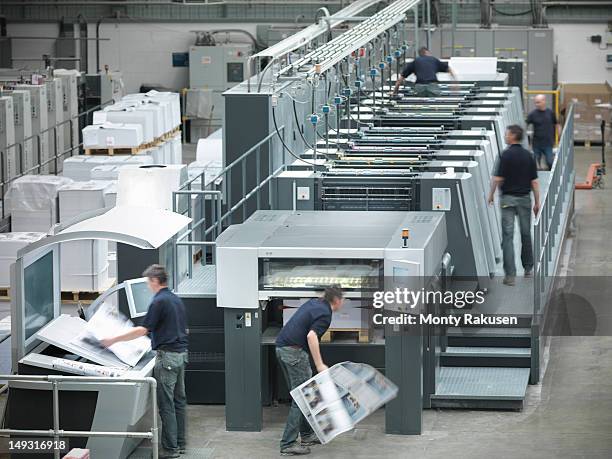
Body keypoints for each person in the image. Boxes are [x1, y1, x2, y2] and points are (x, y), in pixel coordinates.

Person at [101, 265, 188, 459]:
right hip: (181, 356)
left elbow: (143, 330)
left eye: (148, 281)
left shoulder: (158, 301)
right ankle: (180, 444)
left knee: (166, 406)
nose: (148, 285)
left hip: (167, 359)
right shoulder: (175, 299)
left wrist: (112, 340)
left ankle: (170, 450)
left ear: (155, 281)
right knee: (179, 402)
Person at [275, 287, 345, 456]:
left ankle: (306, 435)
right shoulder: (325, 314)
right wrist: (320, 364)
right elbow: (311, 336)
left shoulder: (315, 303)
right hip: (294, 353)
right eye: (342, 299)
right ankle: (288, 444)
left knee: (302, 395)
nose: (343, 302)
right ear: (336, 301)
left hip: (282, 348)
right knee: (301, 399)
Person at [488, 125, 540, 286]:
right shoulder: (529, 156)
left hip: (508, 201)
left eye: (507, 133)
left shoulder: (504, 155)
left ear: (512, 136)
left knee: (508, 237)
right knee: (525, 234)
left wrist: (491, 194)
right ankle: (528, 269)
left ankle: (510, 276)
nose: (505, 135)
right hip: (524, 199)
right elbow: (534, 181)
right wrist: (537, 202)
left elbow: (497, 178)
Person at [392, 46, 456, 97]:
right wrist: (455, 82)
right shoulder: (433, 60)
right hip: (432, 88)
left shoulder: (415, 61)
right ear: (427, 52)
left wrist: (394, 92)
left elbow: (400, 79)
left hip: (420, 89)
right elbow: (448, 68)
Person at [527, 94, 561, 170]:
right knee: (535, 164)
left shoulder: (550, 113)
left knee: (550, 162)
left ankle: (550, 178)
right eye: (536, 102)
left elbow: (557, 124)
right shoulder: (533, 114)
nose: (537, 104)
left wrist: (559, 136)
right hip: (536, 144)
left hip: (548, 143)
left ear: (544, 101)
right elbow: (525, 124)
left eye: (538, 102)